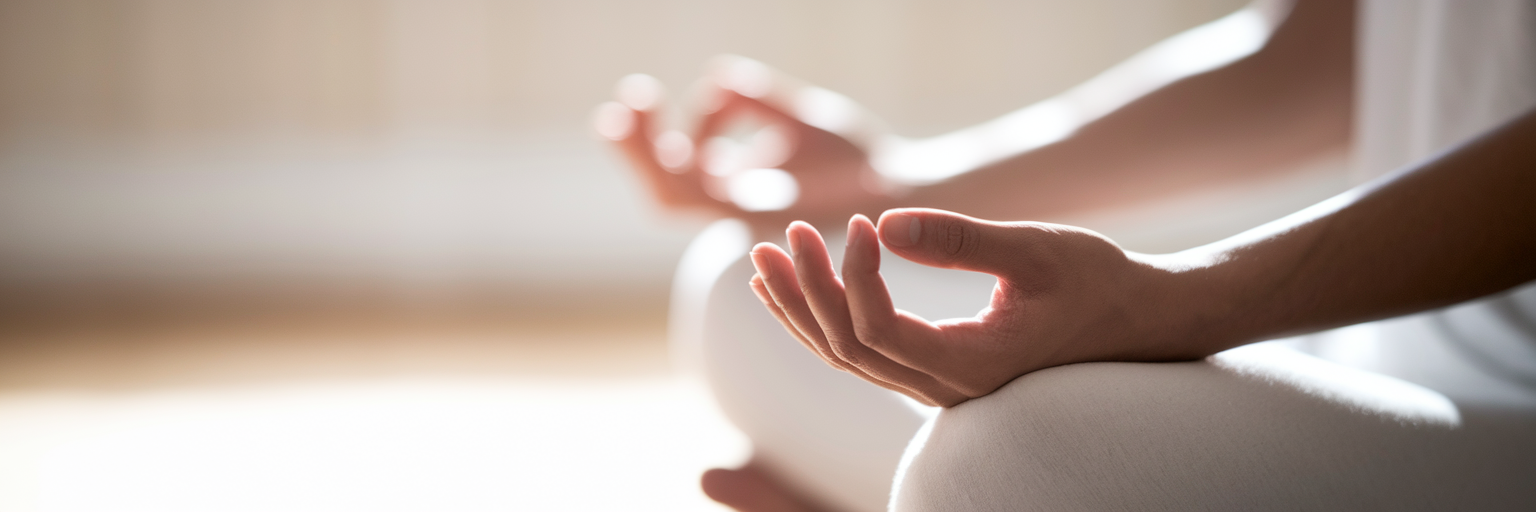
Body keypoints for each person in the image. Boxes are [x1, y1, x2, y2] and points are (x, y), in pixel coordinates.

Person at [597, 0, 1536, 510]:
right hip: (1373, 356)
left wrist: (1178, 303)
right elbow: (1310, 61)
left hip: (1514, 407)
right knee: (742, 280)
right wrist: (886, 185)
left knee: (1005, 465)